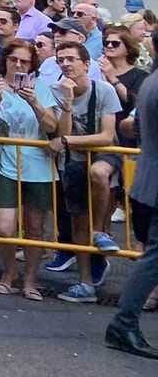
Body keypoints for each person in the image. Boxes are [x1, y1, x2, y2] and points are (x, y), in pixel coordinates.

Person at [0, 38, 64, 300]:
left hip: (38, 163)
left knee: (35, 227)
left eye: (24, 61)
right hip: (4, 161)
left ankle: (31, 281)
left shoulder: (41, 88)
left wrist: (35, 102)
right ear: (5, 60)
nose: (18, 65)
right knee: (4, 227)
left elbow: (51, 127)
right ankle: (9, 271)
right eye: (14, 60)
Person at [52, 42, 122, 304]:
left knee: (98, 173)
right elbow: (61, 132)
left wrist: (68, 142)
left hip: (102, 153)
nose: (66, 64)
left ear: (86, 64)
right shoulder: (57, 92)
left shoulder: (103, 91)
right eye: (61, 60)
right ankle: (85, 283)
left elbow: (106, 136)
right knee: (77, 220)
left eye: (71, 59)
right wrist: (68, 105)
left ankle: (100, 231)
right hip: (73, 159)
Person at [107, 74, 158, 358]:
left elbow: (136, 126)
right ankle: (124, 323)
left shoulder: (151, 80)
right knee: (154, 256)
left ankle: (123, 323)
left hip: (148, 177)